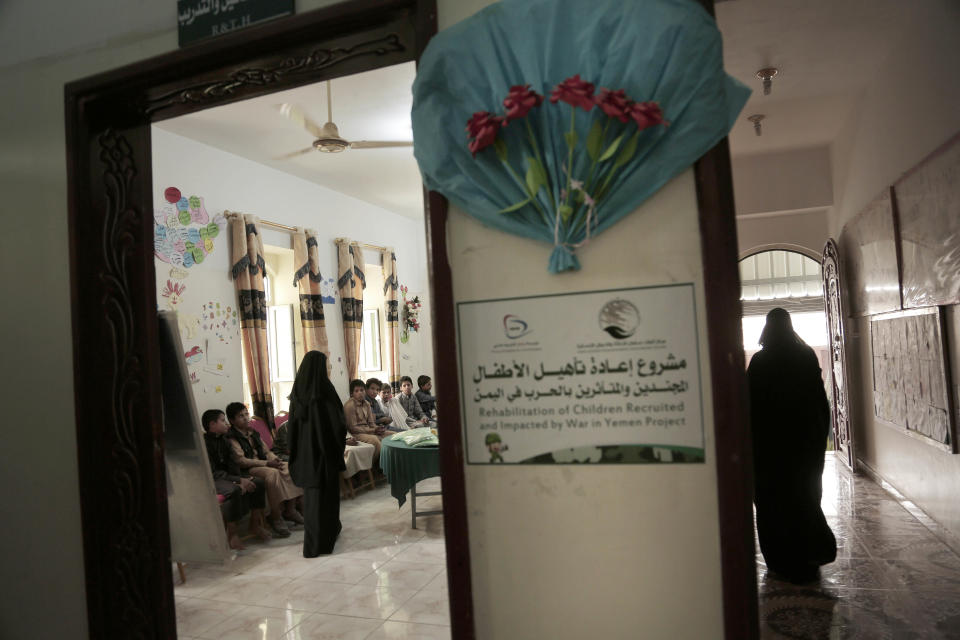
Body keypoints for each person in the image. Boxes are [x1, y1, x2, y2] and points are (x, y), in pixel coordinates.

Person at [748, 307, 836, 583]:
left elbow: (748, 405)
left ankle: (780, 559)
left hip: (769, 447)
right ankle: (808, 552)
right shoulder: (806, 355)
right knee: (805, 495)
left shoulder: (760, 361)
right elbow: (819, 400)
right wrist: (821, 433)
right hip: (804, 443)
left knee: (773, 501)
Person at [287, 351, 347, 557]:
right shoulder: (324, 392)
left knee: (312, 501)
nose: (328, 369)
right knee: (328, 499)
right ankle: (324, 541)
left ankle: (313, 545)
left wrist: (294, 454)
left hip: (305, 456)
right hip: (324, 455)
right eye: (326, 365)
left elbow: (291, 431)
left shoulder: (297, 395)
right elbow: (338, 425)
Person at [226, 402, 305, 538]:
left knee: (291, 467)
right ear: (232, 421)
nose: (245, 418)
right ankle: (275, 516)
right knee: (273, 474)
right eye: (240, 416)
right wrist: (268, 463)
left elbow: (266, 451)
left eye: (246, 414)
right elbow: (242, 461)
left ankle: (290, 510)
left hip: (265, 463)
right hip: (249, 469)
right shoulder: (231, 437)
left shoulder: (252, 432)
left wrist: (276, 460)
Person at [201, 409, 272, 548]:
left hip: (228, 477)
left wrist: (241, 479)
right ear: (212, 424)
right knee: (234, 491)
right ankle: (232, 534)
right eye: (222, 420)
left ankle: (255, 524)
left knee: (258, 482)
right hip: (212, 479)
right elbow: (212, 472)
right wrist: (237, 481)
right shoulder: (204, 443)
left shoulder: (225, 441)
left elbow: (233, 465)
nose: (226, 423)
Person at [343, 379, 388, 460]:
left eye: (362, 390)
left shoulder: (367, 404)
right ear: (352, 394)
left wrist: (377, 428)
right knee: (375, 441)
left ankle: (389, 463)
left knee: (392, 435)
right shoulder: (349, 406)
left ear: (365, 391)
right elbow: (353, 428)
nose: (360, 392)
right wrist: (372, 431)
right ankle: (374, 467)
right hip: (356, 434)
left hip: (369, 431)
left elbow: (371, 423)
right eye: (356, 391)